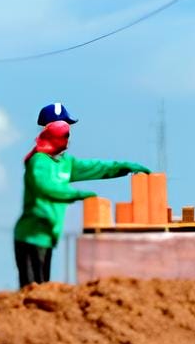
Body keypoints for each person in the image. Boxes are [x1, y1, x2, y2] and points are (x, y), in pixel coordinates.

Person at [13, 121, 147, 288]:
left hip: (48, 235)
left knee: (42, 285)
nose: (67, 141)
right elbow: (45, 187)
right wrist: (76, 194)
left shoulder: (65, 163)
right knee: (31, 287)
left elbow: (95, 167)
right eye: (64, 137)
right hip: (30, 234)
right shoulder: (38, 162)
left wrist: (123, 167)